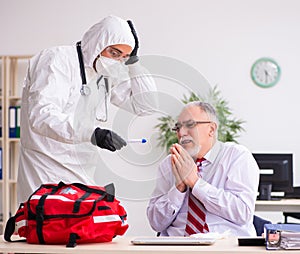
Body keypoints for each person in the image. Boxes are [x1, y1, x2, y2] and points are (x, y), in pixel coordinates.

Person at [17, 15, 157, 202]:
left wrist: (134, 63)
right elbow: (42, 117)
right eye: (114, 53)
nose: (117, 62)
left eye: (123, 57)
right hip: (45, 170)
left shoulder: (104, 74)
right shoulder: (57, 60)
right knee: (48, 225)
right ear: (98, 44)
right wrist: (94, 134)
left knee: (85, 227)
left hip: (82, 174)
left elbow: (146, 106)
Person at [147, 101, 259, 236]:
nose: (182, 133)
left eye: (190, 125)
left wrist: (195, 183)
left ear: (211, 129)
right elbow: (155, 223)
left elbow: (243, 212)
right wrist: (178, 188)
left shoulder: (236, 156)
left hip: (225, 247)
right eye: (178, 127)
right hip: (177, 247)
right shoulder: (169, 163)